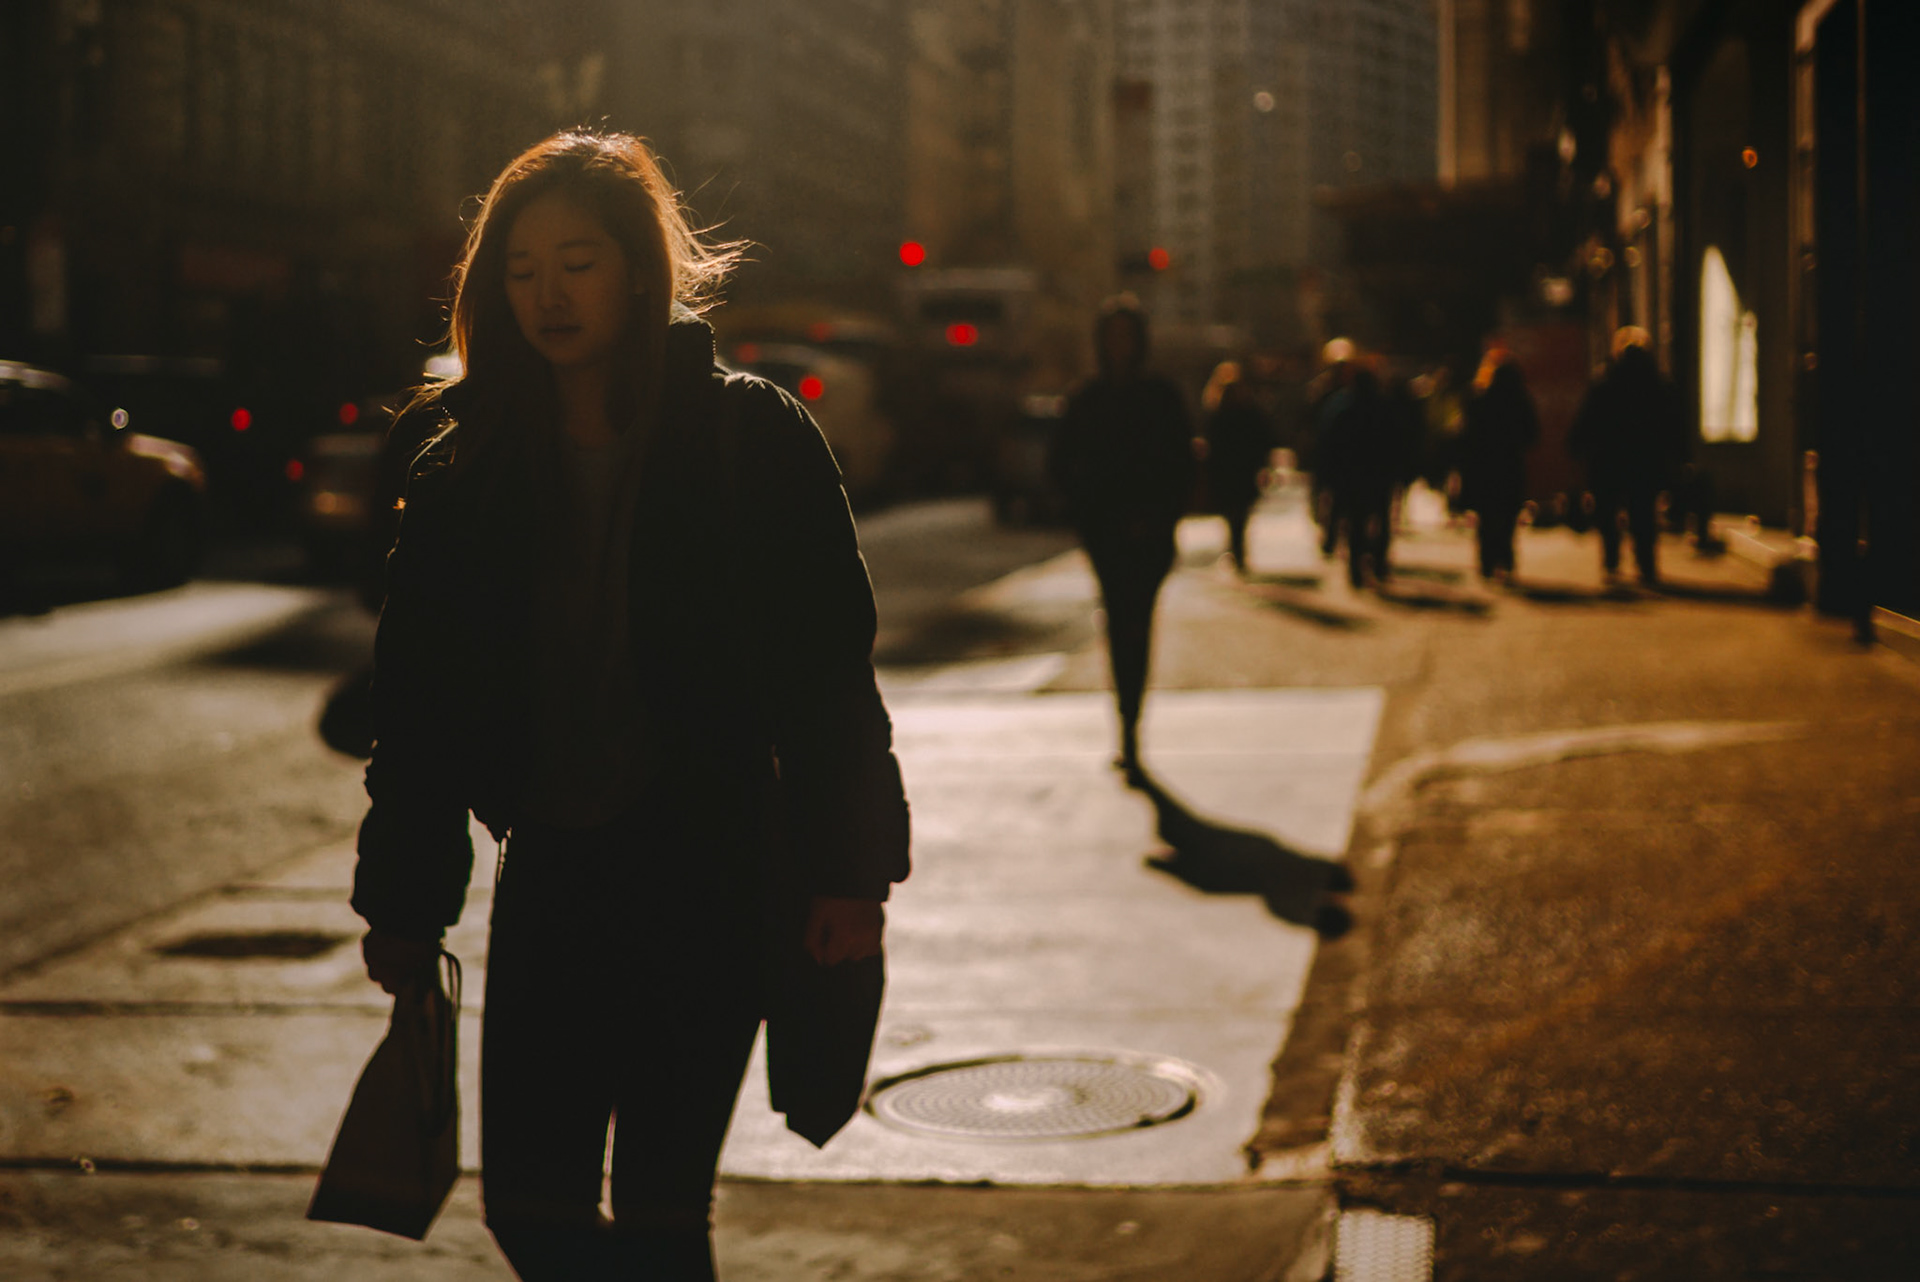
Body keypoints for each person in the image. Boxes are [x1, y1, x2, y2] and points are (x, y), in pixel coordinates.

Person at [351, 130, 910, 1281]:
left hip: (709, 874)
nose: (548, 294)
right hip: (552, 876)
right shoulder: (468, 462)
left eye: (579, 261)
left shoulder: (747, 435)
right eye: (520, 269)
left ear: (639, 269)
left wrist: (851, 876)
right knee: (531, 1209)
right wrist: (406, 900)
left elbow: (828, 674)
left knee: (660, 1214)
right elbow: (420, 709)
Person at [1049, 294, 1194, 783]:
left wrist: (1160, 516)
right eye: (1111, 337)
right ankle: (1127, 727)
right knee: (1121, 624)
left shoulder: (1159, 397)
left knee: (1136, 624)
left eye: (1125, 337)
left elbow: (1181, 464)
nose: (1118, 346)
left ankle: (1132, 723)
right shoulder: (1087, 399)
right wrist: (1086, 513)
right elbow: (1061, 463)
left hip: (1149, 535)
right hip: (1106, 534)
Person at [1570, 326, 1687, 584]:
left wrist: (1577, 447)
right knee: (1643, 513)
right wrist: (1678, 456)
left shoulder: (1605, 381)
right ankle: (1645, 563)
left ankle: (1611, 560)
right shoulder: (1657, 383)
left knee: (1607, 513)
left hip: (1608, 460)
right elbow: (1672, 424)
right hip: (1645, 460)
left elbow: (1588, 419)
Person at [1317, 362, 1403, 588]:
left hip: (1352, 474)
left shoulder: (1342, 406)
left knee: (1356, 520)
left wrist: (1328, 475)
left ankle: (1356, 568)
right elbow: (1396, 441)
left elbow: (1329, 442)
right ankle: (1379, 562)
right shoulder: (1384, 406)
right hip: (1379, 473)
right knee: (1381, 518)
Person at [1458, 349, 1540, 583]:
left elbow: (1467, 436)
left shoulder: (1478, 399)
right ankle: (1506, 556)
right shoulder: (1520, 400)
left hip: (1484, 467)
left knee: (1486, 515)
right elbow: (1532, 433)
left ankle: (1486, 559)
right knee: (1508, 514)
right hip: (1511, 465)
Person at [1200, 360, 1274, 574]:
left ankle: (1237, 548)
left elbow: (1262, 439)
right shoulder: (1238, 413)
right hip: (1235, 470)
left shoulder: (1227, 413)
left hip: (1234, 470)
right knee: (1237, 511)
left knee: (1236, 511)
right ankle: (1237, 548)